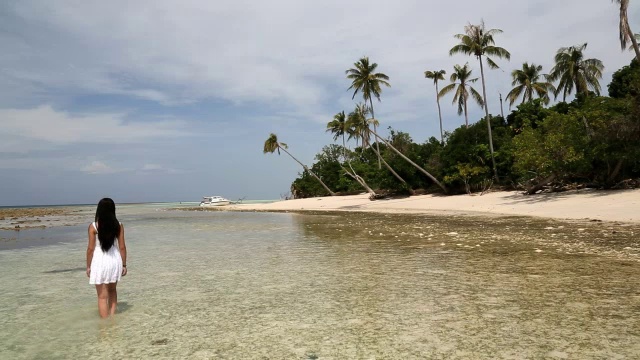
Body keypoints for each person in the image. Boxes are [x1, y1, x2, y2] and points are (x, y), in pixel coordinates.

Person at [86, 198, 127, 318]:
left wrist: (88, 266)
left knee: (102, 296)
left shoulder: (93, 227)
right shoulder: (118, 225)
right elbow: (122, 247)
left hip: (99, 261)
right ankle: (112, 319)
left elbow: (90, 249)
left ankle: (105, 326)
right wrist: (124, 265)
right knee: (112, 291)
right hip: (114, 259)